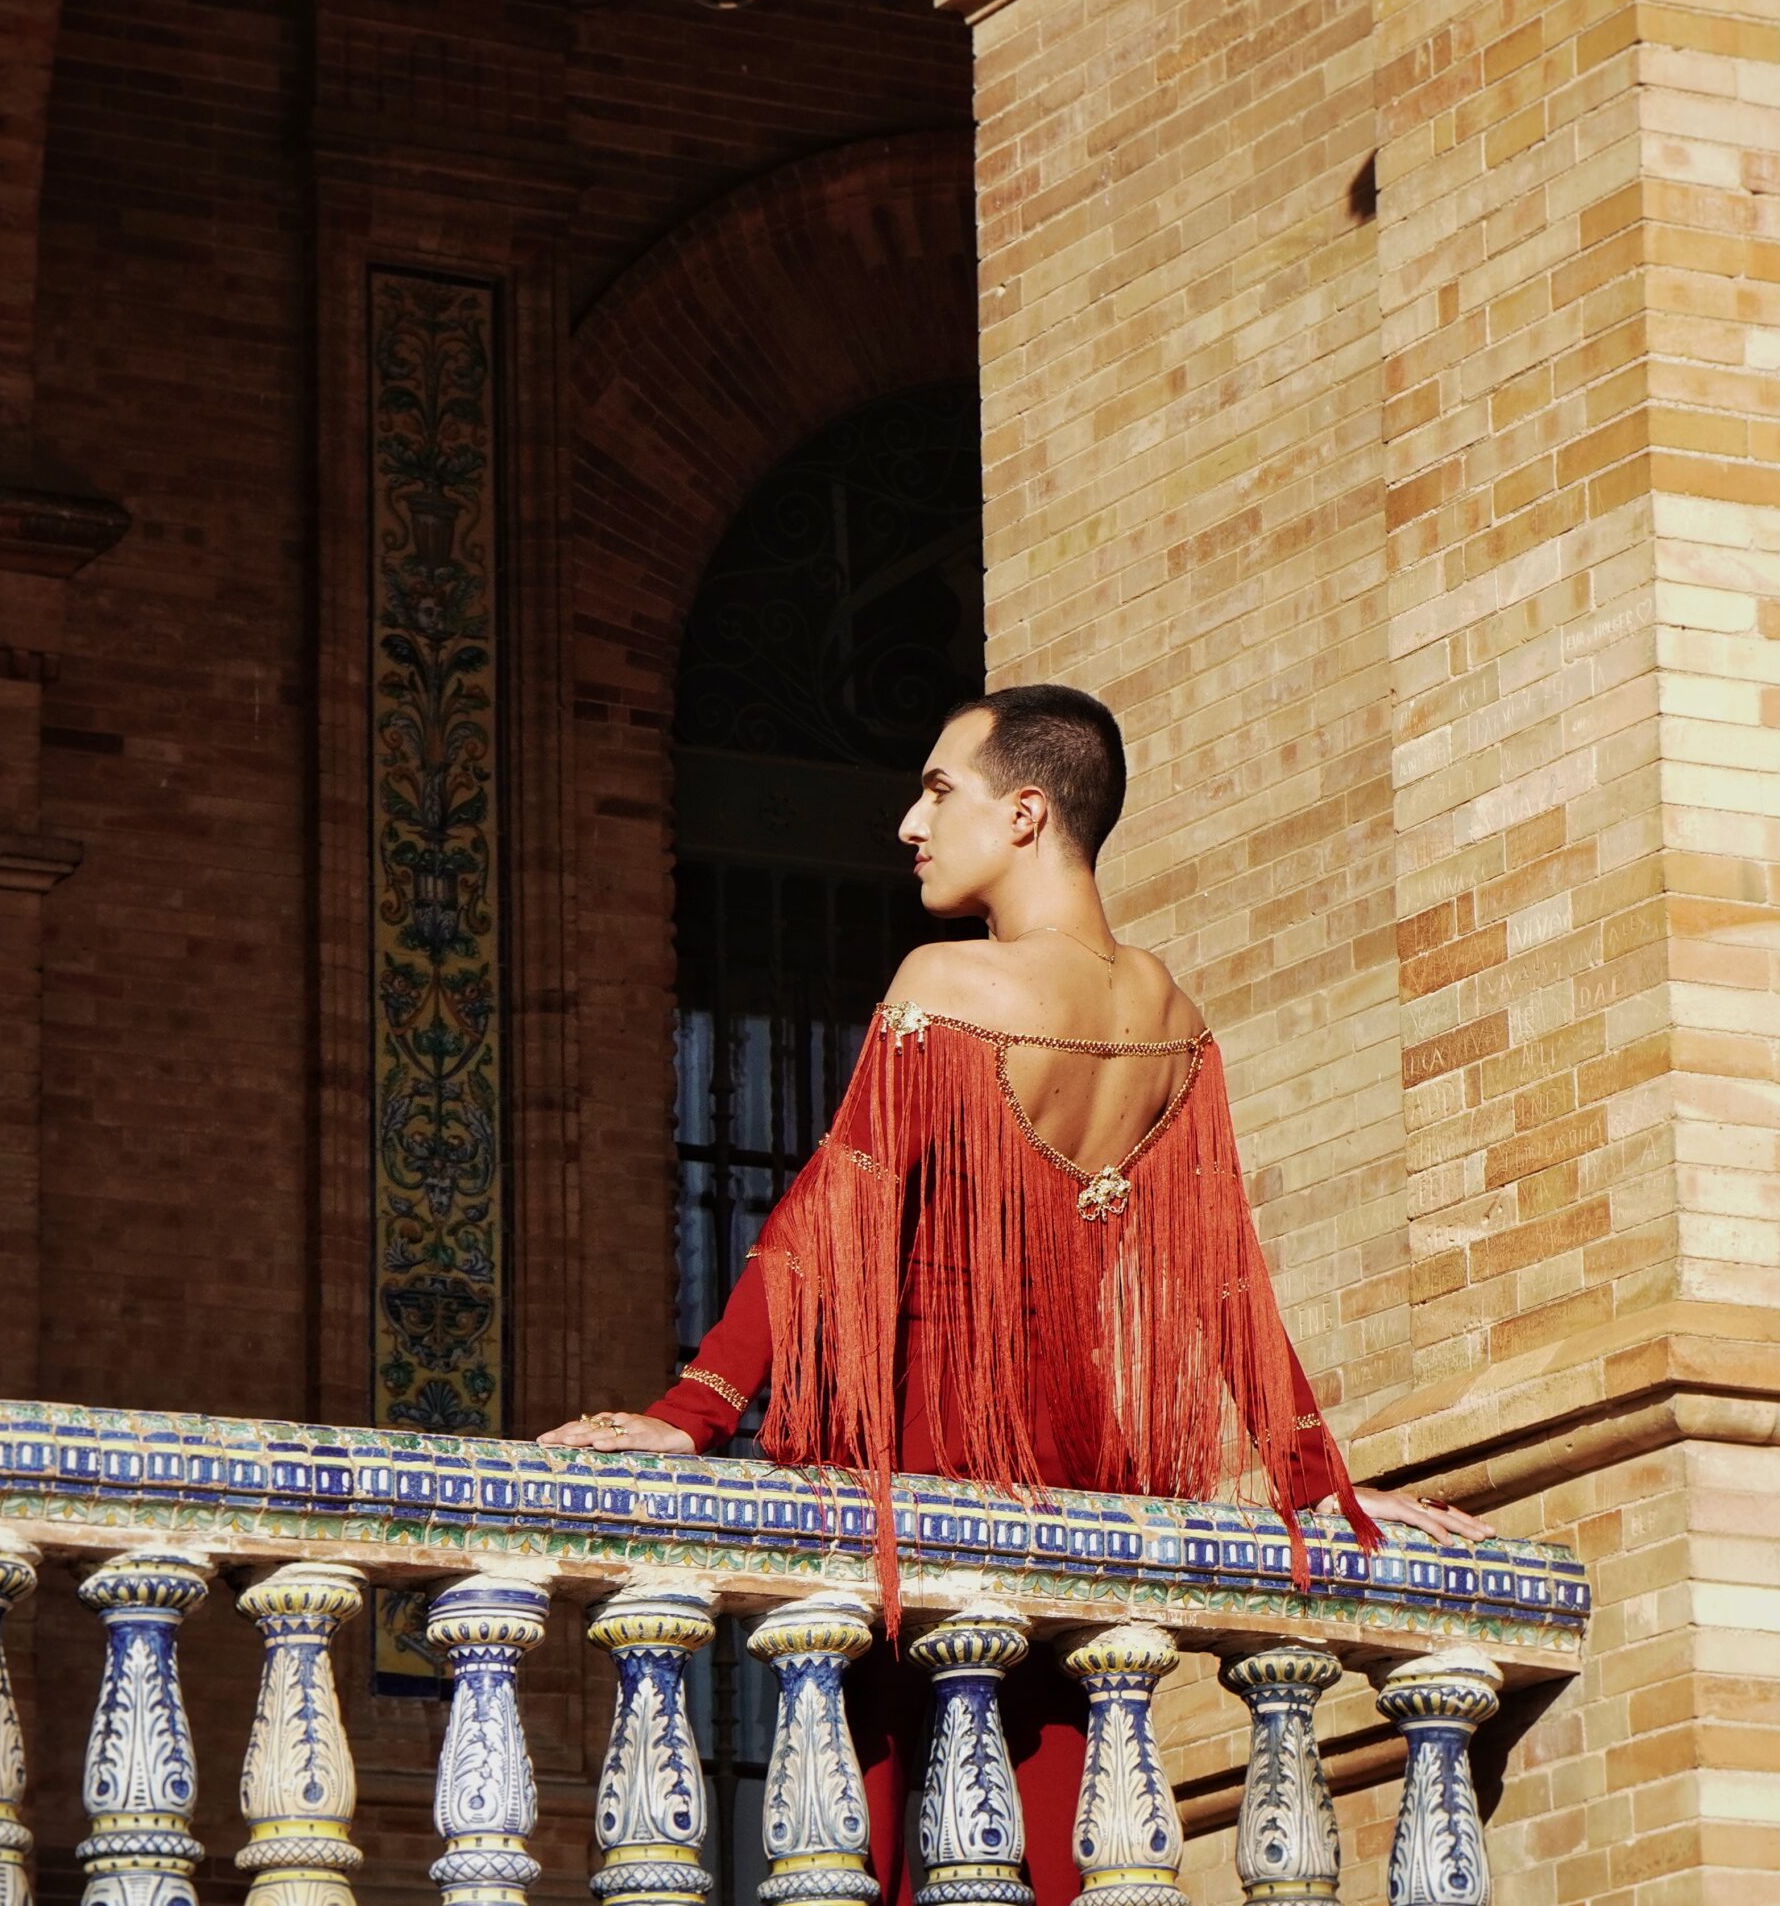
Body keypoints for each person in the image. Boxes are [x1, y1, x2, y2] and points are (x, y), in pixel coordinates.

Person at [540, 684, 1492, 1906]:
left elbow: (828, 1219)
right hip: (1071, 1462)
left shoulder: (948, 983)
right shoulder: (1173, 1018)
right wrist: (1318, 1486)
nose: (909, 824)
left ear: (1027, 812)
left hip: (930, 1444)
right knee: (1039, 1787)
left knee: (896, 1811)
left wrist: (692, 1412)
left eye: (939, 791)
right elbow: (1221, 1283)